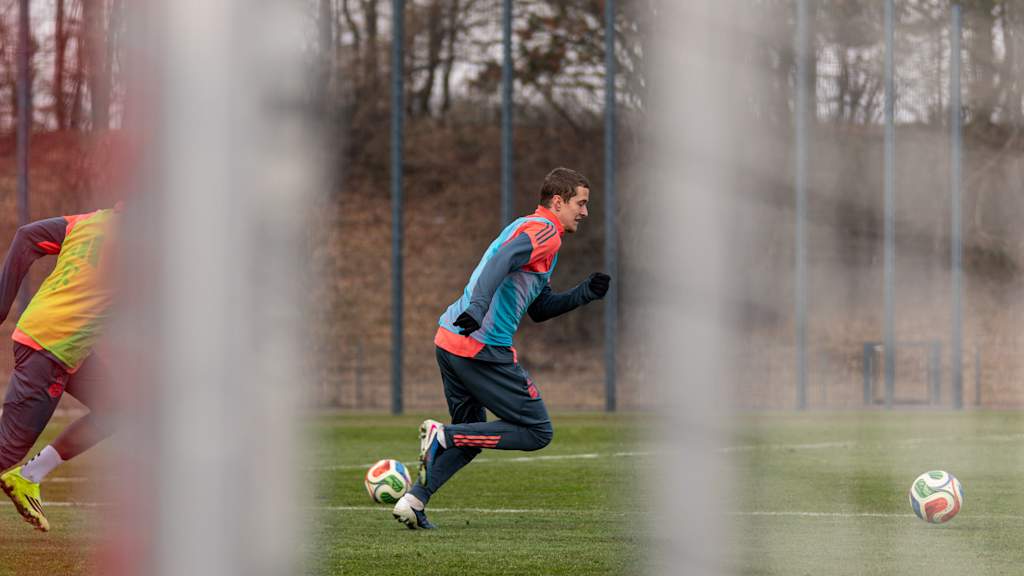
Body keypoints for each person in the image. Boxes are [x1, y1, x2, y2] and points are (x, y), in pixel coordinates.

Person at [392, 167, 610, 529]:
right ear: (558, 202)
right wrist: (477, 309)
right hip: (480, 348)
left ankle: (413, 501)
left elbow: (539, 308)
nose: (585, 212)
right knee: (538, 431)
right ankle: (441, 434)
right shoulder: (544, 232)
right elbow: (500, 261)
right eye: (580, 203)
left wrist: (583, 293)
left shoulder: (529, 229)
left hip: (451, 341)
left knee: (473, 435)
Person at [0, 207, 119, 532]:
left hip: (52, 336)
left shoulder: (93, 221)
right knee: (6, 449)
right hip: (50, 346)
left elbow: (27, 236)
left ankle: (29, 477)